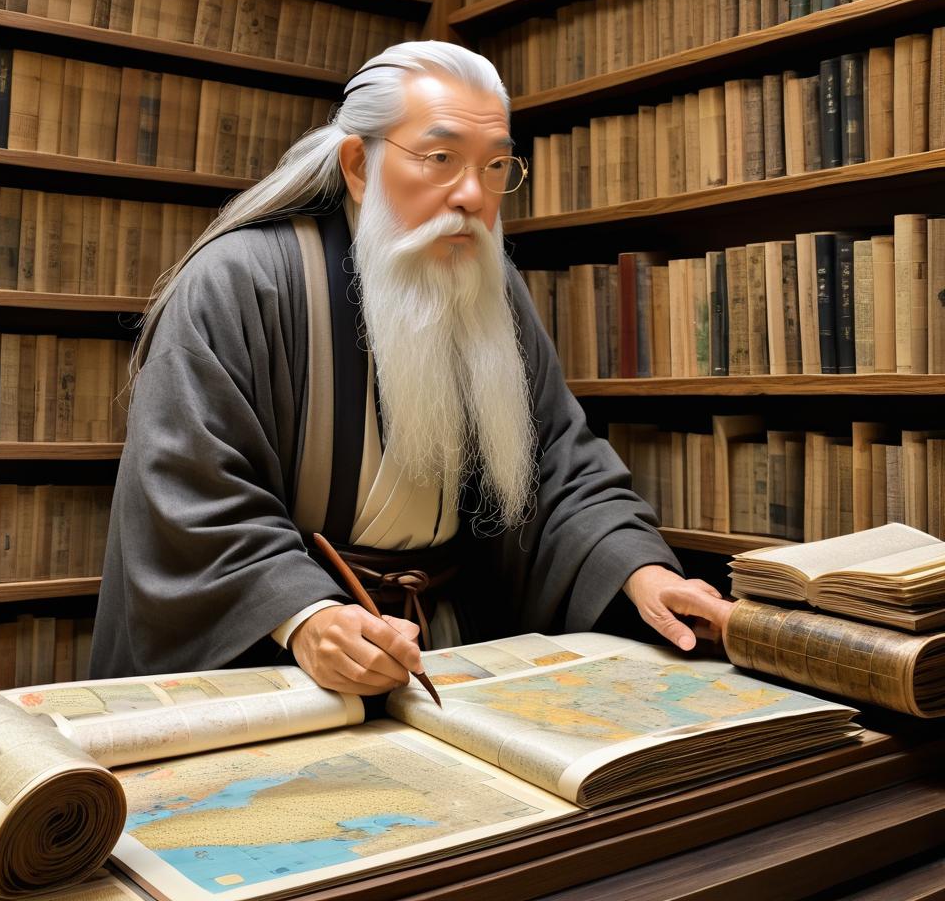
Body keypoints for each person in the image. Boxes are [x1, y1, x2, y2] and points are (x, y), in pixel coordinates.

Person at [90, 41, 732, 691]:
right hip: (293, 663)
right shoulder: (243, 283)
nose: (473, 196)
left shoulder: (487, 288)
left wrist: (639, 573)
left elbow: (558, 470)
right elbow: (190, 494)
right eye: (441, 159)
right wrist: (306, 615)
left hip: (444, 654)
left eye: (496, 166)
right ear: (358, 166)